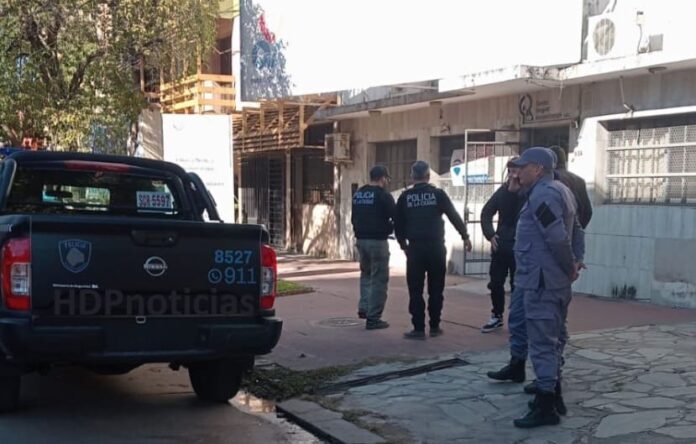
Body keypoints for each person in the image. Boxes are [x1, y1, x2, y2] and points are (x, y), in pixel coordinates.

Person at [493, 147, 584, 428]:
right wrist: (576, 260)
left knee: (543, 342)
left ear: (538, 168)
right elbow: (578, 229)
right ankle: (552, 394)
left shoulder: (544, 194)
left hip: (542, 281)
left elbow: (557, 237)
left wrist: (570, 265)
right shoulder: (558, 190)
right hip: (546, 280)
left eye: (523, 167)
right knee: (552, 336)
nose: (517, 172)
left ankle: (546, 406)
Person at [394, 160, 473, 339]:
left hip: (415, 249)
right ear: (428, 177)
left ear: (412, 177)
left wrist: (403, 245)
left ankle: (418, 328)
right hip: (436, 248)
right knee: (436, 289)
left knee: (415, 289)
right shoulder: (437, 194)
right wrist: (465, 236)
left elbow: (398, 224)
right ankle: (435, 326)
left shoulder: (405, 197)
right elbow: (453, 215)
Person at [479, 159, 525, 333]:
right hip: (501, 246)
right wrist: (490, 235)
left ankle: (517, 318)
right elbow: (486, 213)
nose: (513, 175)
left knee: (517, 284)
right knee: (496, 283)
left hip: (519, 247)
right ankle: (496, 315)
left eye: (516, 171)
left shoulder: (528, 193)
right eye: (510, 171)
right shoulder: (502, 192)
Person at [351, 165, 396, 330]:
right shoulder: (384, 196)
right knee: (379, 279)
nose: (387, 182)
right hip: (377, 242)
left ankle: (364, 307)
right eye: (387, 179)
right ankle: (374, 318)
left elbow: (353, 218)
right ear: (383, 178)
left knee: (366, 274)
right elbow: (396, 217)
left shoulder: (359, 194)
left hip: (361, 241)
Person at [548, 145, 593, 229]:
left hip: (557, 229)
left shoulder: (551, 178)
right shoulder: (579, 180)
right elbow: (588, 212)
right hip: (574, 228)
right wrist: (578, 228)